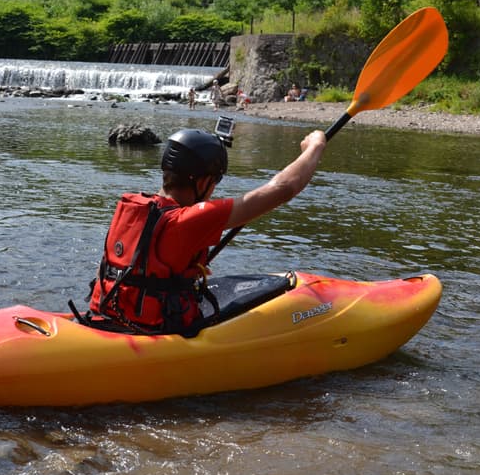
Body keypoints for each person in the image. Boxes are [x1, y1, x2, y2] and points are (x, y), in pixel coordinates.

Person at [88, 127, 327, 334]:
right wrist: (315, 146)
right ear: (202, 182)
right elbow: (285, 187)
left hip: (109, 315)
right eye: (215, 182)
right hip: (153, 330)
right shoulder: (191, 220)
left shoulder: (136, 208)